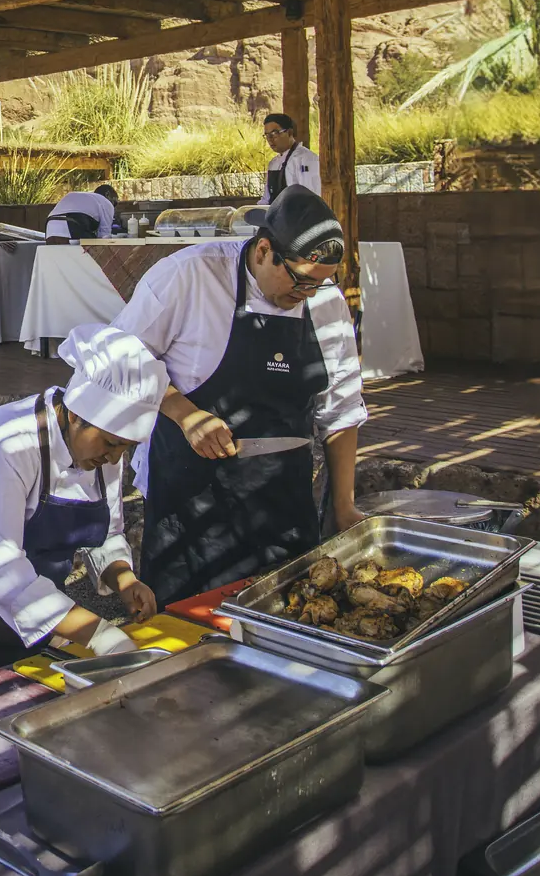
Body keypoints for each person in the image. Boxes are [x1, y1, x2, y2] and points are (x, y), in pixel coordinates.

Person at [114, 186, 365, 606]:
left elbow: (340, 410)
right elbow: (120, 358)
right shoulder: (190, 276)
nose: (306, 295)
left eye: (319, 285)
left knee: (287, 620)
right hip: (192, 501)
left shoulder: (325, 303)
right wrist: (185, 413)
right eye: (300, 281)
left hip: (283, 499)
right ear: (264, 250)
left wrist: (343, 506)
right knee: (186, 633)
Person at [0, 325, 166, 696]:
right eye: (111, 443)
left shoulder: (102, 448)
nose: (115, 457)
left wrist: (123, 578)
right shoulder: (3, 446)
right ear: (76, 415)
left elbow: (108, 531)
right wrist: (99, 634)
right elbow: (3, 571)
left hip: (38, 623)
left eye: (126, 447)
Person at [260, 113, 320, 204]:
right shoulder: (273, 164)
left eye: (274, 133)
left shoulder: (306, 159)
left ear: (289, 133)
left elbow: (312, 198)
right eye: (267, 135)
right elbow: (266, 200)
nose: (270, 139)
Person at [45, 182, 120, 240]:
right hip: (72, 224)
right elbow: (104, 236)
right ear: (107, 194)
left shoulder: (84, 198)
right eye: (114, 202)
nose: (113, 207)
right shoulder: (106, 203)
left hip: (50, 227)